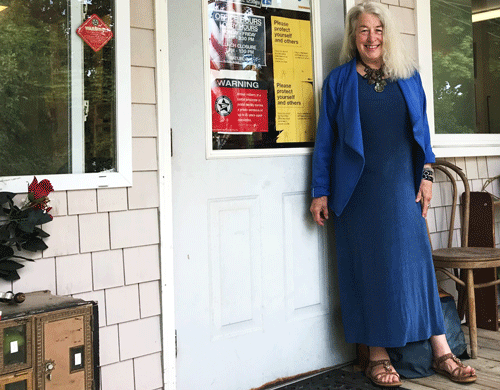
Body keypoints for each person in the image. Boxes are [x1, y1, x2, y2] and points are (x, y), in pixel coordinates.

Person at [310, 2, 477, 387]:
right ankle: (378, 357)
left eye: (378, 30)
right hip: (356, 193)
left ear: (388, 35)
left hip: (403, 186)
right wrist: (320, 191)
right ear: (355, 37)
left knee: (416, 267)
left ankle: (442, 352)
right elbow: (326, 142)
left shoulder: (408, 76)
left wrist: (427, 175)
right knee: (367, 270)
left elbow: (423, 135)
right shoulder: (339, 81)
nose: (372, 38)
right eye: (364, 30)